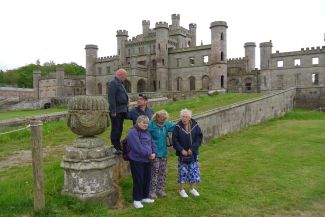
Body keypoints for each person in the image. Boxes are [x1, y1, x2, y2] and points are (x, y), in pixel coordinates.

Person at [126, 115, 157, 209]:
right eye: (144, 122)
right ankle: (137, 199)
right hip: (137, 160)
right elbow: (137, 147)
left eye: (147, 123)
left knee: (147, 178)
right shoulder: (133, 132)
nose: (146, 125)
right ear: (138, 122)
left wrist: (154, 152)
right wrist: (149, 154)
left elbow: (152, 143)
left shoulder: (147, 132)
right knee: (138, 179)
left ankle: (144, 197)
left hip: (147, 160)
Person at [172, 108, 203, 198]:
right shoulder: (177, 127)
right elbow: (175, 140)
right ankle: (181, 189)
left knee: (193, 171)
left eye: (186, 117)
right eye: (183, 116)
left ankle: (192, 188)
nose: (184, 118)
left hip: (193, 153)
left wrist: (192, 148)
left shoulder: (195, 125)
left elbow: (199, 138)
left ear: (189, 118)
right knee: (183, 171)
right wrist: (181, 150)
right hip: (182, 154)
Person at [148, 110, 175, 198]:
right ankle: (152, 191)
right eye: (162, 119)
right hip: (154, 153)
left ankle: (160, 189)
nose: (163, 120)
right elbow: (146, 136)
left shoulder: (166, 124)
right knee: (154, 172)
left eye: (165, 119)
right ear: (157, 117)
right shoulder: (151, 124)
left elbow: (175, 127)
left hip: (164, 152)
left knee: (163, 172)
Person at [108, 68, 129, 154]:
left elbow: (121, 95)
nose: (125, 78)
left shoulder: (119, 83)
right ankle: (115, 146)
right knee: (116, 129)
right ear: (121, 75)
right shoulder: (113, 83)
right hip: (116, 111)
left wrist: (126, 100)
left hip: (122, 110)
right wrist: (113, 111)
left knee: (120, 128)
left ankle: (118, 145)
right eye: (124, 76)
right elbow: (111, 98)